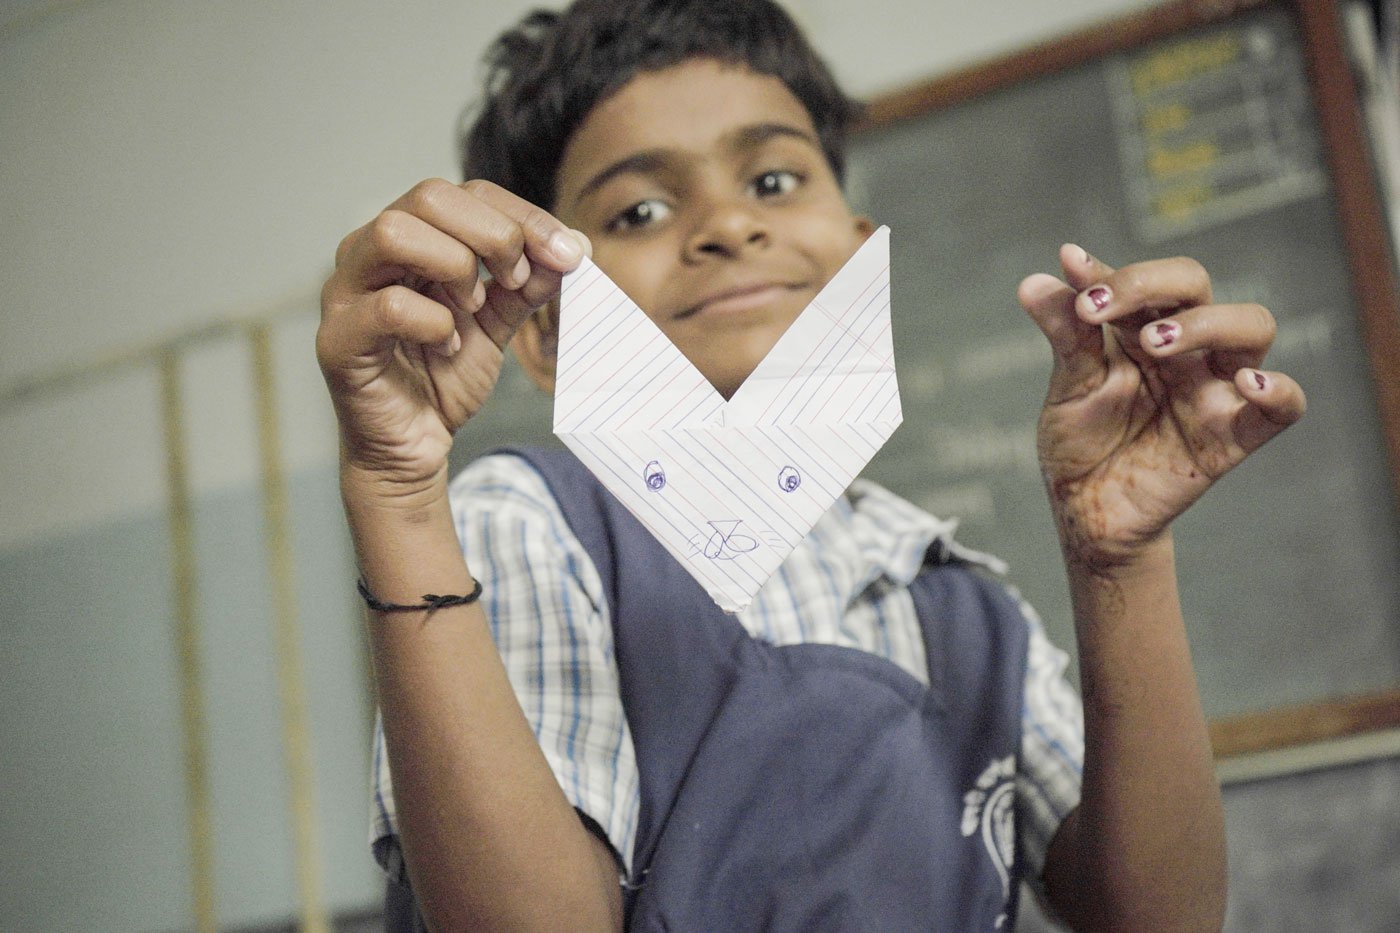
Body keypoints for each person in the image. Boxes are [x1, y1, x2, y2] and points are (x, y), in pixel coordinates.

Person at [315, 0, 1305, 929]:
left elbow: (1155, 916)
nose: (727, 225)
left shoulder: (959, 603)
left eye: (774, 182)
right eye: (636, 213)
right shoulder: (520, 520)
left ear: (859, 252)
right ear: (544, 331)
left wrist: (1119, 561)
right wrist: (398, 502)